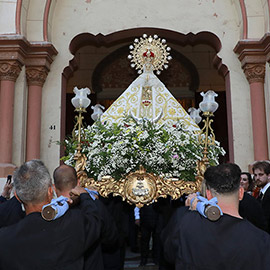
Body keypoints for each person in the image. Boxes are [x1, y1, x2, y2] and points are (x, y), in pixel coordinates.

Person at [161, 163, 270, 270]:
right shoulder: (262, 240)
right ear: (241, 193)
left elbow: (168, 254)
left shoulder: (184, 222)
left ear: (208, 195)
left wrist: (189, 212)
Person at [0, 159, 101, 270]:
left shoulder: (4, 239)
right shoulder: (73, 224)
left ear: (17, 197)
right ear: (50, 192)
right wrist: (84, 196)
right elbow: (95, 220)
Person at [53, 164, 119, 270]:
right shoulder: (95, 206)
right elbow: (111, 238)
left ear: (54, 188)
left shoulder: (49, 212)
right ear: (79, 183)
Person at [253, 160, 270, 232]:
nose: (257, 178)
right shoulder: (260, 193)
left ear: (269, 175)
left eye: (261, 174)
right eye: (255, 175)